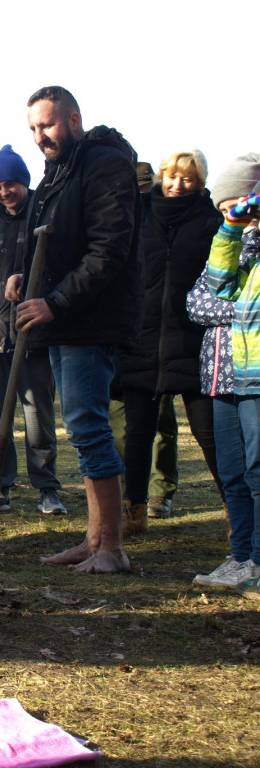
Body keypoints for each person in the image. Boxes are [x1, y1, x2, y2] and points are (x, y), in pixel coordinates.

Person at [5, 85, 141, 574]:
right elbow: (53, 245)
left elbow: (108, 251)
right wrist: (24, 274)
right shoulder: (57, 173)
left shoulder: (104, 165)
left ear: (75, 120)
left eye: (48, 125)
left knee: (89, 428)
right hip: (64, 322)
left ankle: (113, 548)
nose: (41, 137)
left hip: (89, 321)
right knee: (83, 429)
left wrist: (55, 301)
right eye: (34, 130)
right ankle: (93, 538)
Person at [113, 150, 223, 535]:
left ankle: (237, 514)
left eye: (188, 179)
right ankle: (133, 512)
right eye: (172, 176)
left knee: (211, 436)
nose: (178, 184)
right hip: (141, 341)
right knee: (138, 436)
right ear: (161, 176)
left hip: (195, 344)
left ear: (200, 183)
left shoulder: (213, 222)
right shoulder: (136, 216)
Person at [0, 145, 64, 515]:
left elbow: (57, 267)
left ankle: (47, 489)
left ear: (24, 181)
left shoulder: (44, 214)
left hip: (32, 335)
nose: (5, 192)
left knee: (37, 415)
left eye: (11, 184)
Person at [187, 153, 260, 589]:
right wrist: (231, 230)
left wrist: (235, 311)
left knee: (258, 472)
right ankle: (240, 557)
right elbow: (201, 297)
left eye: (240, 205)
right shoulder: (233, 243)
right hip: (221, 376)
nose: (234, 215)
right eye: (223, 210)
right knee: (232, 472)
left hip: (256, 377)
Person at [108, 161, 181, 520]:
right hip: (122, 337)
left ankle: (160, 491)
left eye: (143, 188)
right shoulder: (116, 223)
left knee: (161, 422)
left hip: (157, 337)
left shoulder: (159, 225)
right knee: (122, 423)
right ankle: (127, 492)